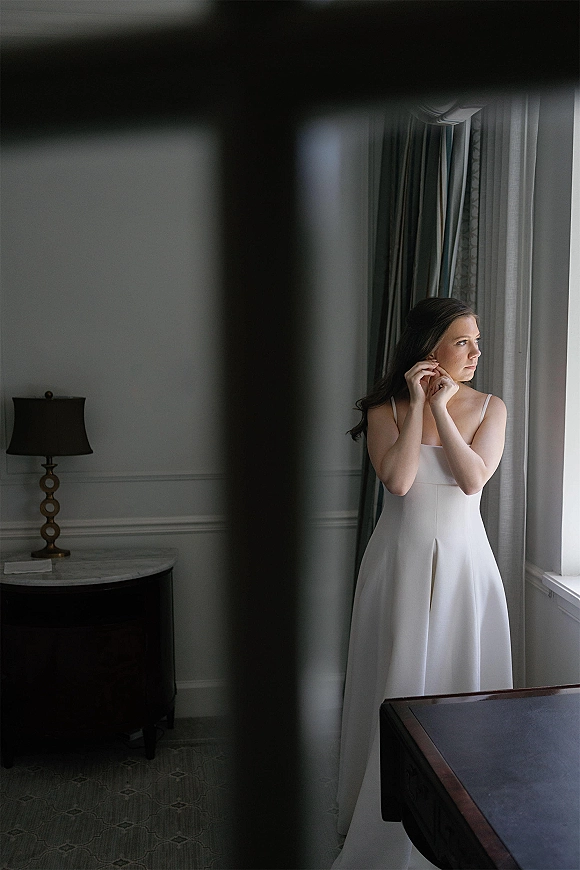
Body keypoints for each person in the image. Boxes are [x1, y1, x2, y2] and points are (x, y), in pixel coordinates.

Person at [332, 297, 513, 870]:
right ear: (429, 346)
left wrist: (444, 412)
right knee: (398, 678)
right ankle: (388, 817)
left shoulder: (490, 407)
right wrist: (417, 406)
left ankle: (468, 818)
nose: (476, 352)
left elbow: (470, 480)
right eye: (463, 341)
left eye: (476, 340)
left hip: (466, 566)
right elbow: (401, 481)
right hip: (399, 563)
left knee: (463, 682)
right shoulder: (385, 408)